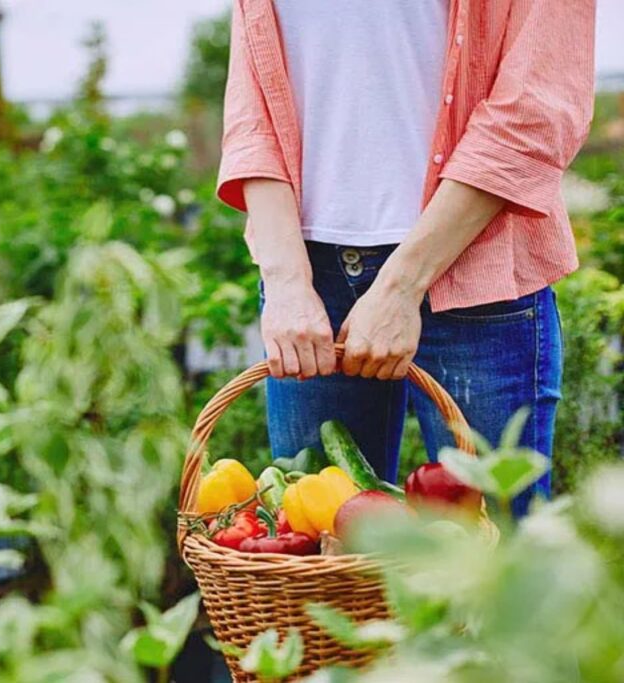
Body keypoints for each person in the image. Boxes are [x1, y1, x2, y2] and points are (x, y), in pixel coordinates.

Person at [218, 0, 596, 515]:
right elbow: (252, 113)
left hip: (473, 274)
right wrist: (285, 283)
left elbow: (534, 111)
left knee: (497, 551)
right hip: (307, 282)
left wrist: (401, 287)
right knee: (321, 561)